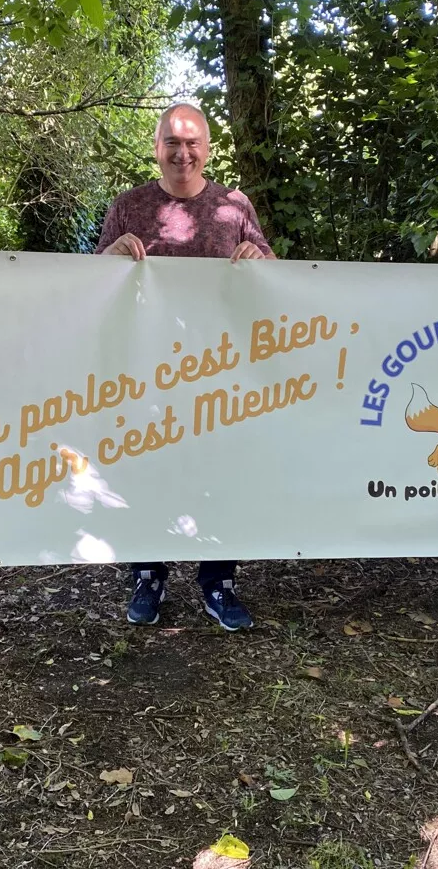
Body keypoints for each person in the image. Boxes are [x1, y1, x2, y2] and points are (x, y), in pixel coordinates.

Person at [96, 102, 275, 632]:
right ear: (156, 148)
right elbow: (87, 287)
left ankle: (218, 580)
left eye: (193, 141)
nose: (183, 152)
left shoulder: (234, 204)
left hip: (221, 369)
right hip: (144, 371)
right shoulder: (127, 207)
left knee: (219, 470)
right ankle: (148, 573)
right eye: (172, 142)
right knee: (147, 467)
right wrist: (109, 260)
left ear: (208, 148)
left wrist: (258, 259)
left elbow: (272, 275)